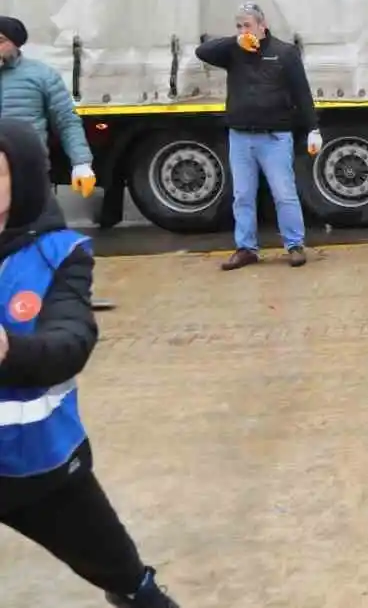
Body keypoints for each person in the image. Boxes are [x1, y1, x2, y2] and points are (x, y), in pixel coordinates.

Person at [0, 118, 181, 607]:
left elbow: (71, 341)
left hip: (40, 466)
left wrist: (9, 351)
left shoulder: (59, 255)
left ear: (23, 181)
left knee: (127, 578)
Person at [194, 3, 319, 271]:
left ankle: (294, 245)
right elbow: (202, 51)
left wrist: (313, 129)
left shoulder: (284, 53)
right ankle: (246, 248)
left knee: (284, 193)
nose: (243, 30)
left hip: (275, 137)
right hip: (240, 136)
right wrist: (235, 41)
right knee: (242, 195)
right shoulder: (233, 52)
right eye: (238, 26)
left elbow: (302, 94)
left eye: (247, 25)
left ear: (263, 26)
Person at [0, 17, 111, 310]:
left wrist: (82, 163)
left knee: (50, 236)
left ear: (16, 44)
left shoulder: (41, 76)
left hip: (28, 176)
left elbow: (67, 122)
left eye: (0, 42)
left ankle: (70, 295)